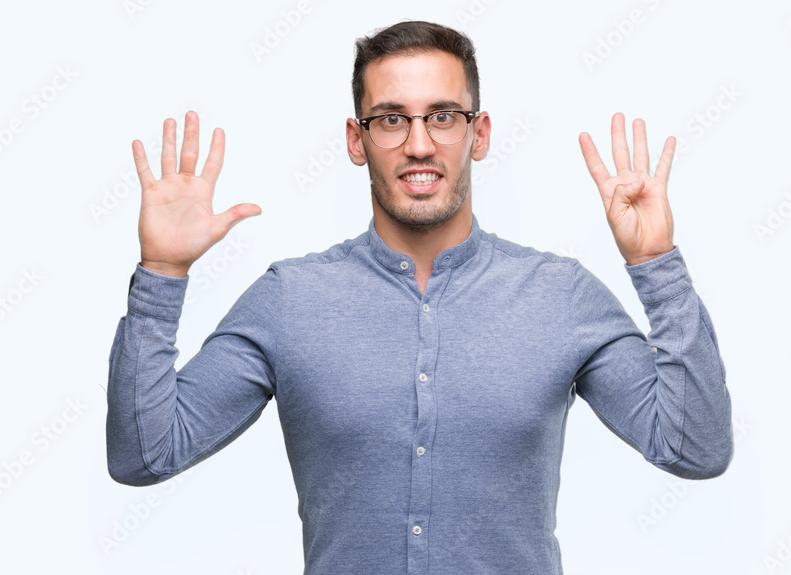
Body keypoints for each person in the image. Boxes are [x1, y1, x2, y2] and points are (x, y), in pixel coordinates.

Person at [106, 20, 733, 574]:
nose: (419, 144)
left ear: (478, 133)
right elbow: (146, 454)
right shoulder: (289, 300)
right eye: (391, 119)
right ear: (357, 141)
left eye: (442, 115)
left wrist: (656, 265)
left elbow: (695, 449)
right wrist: (162, 273)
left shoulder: (560, 296)